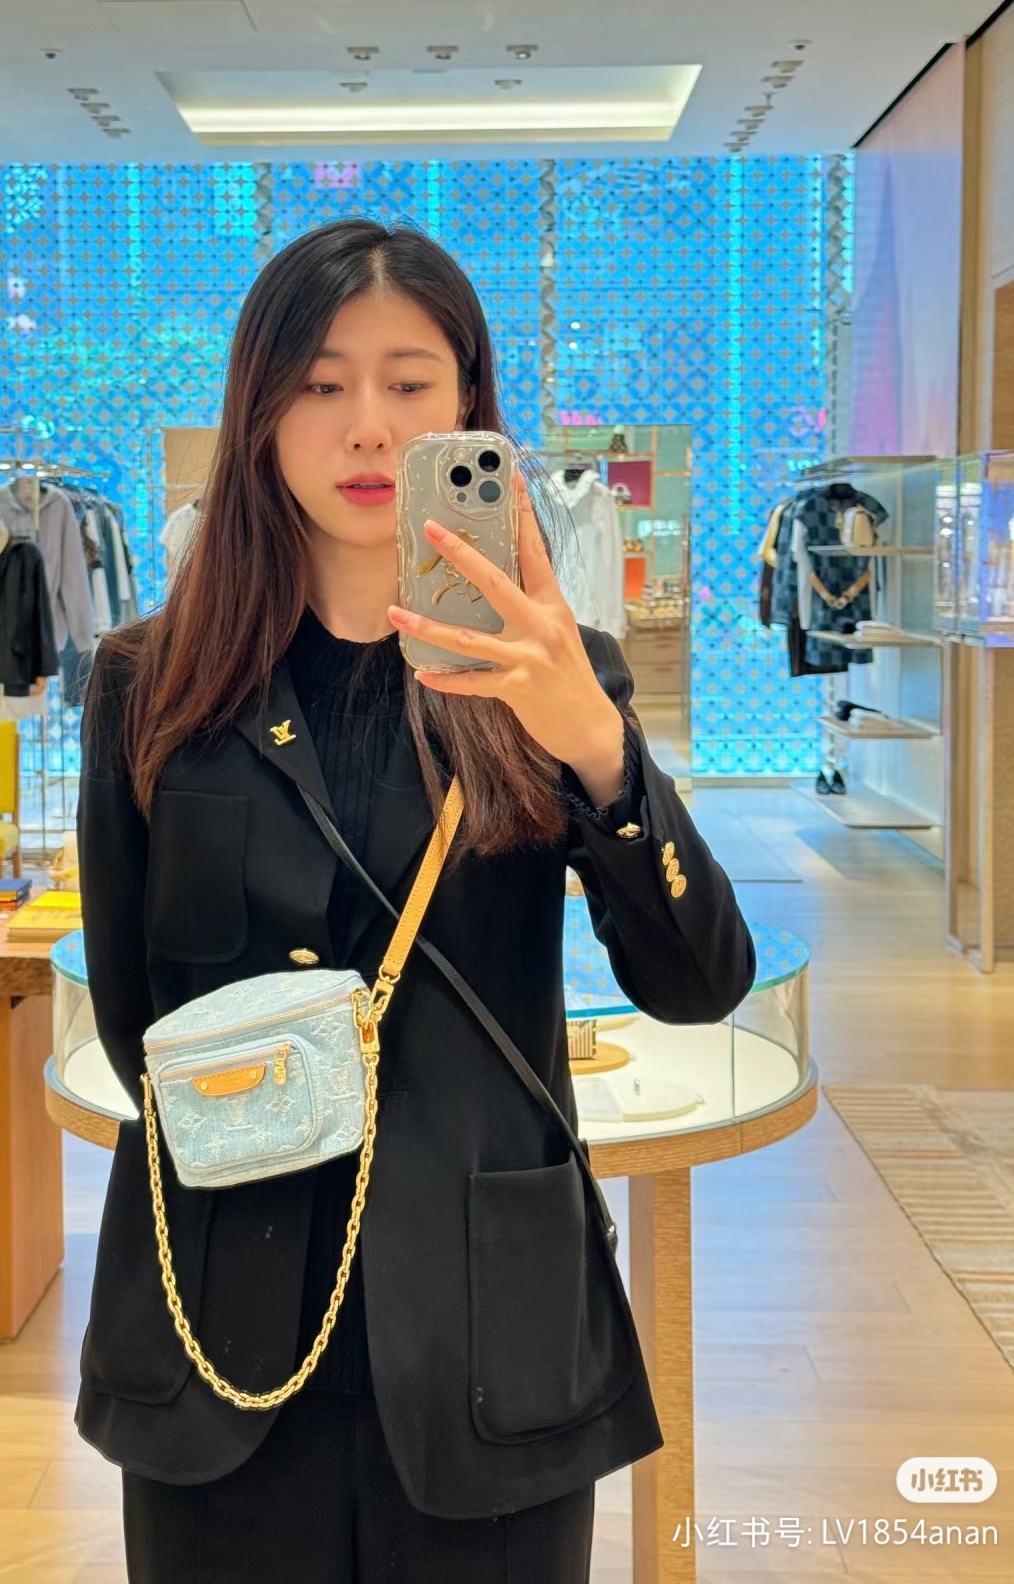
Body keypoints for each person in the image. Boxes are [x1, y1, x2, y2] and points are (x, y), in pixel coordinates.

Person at [76, 218, 755, 1582]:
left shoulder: (552, 680)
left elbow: (698, 983)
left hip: (488, 1322)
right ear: (259, 414)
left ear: (468, 412)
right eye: (321, 384)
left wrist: (597, 747)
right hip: (221, 1318)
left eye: (409, 384)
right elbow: (135, 1019)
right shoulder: (153, 685)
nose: (368, 428)